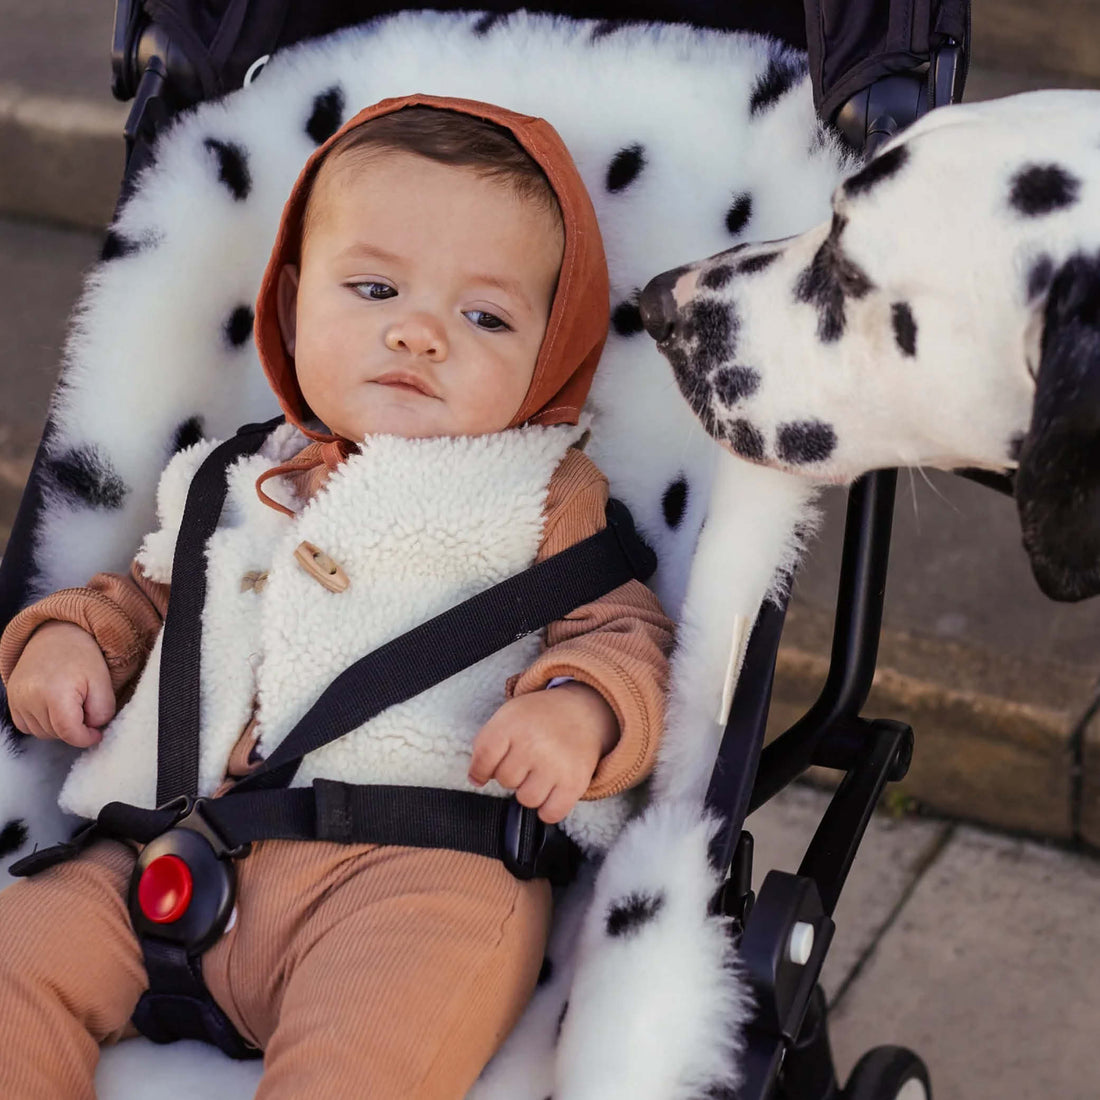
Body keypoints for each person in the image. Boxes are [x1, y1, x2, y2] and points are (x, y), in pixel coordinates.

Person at [0, 94, 673, 1098]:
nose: (418, 334)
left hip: (410, 873)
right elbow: (145, 599)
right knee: (14, 959)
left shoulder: (539, 491)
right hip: (164, 847)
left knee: (371, 1057)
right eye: (371, 288)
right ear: (289, 304)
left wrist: (577, 705)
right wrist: (69, 642)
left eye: (483, 316)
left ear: (552, 355)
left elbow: (623, 628)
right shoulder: (227, 474)